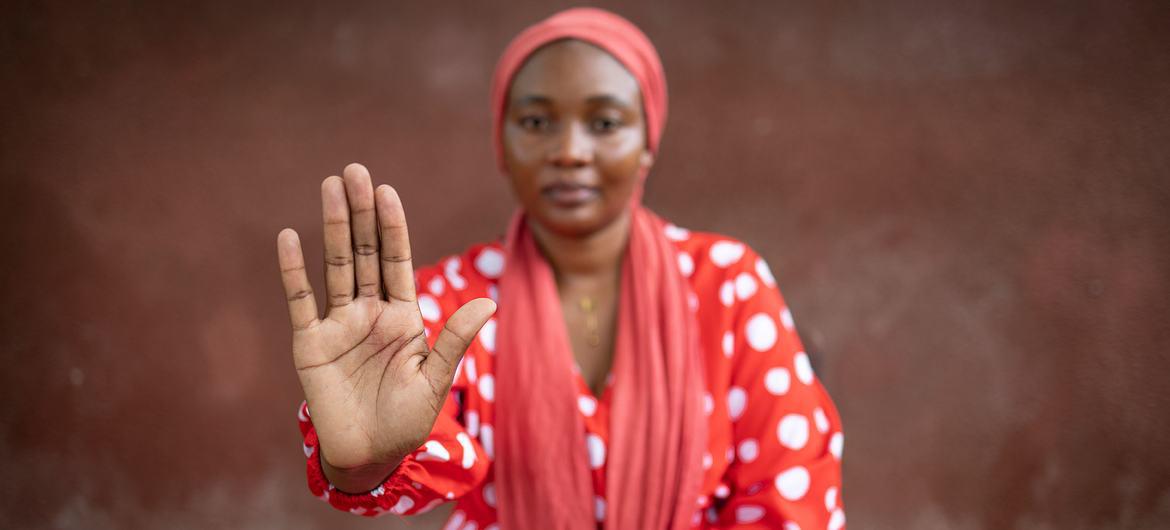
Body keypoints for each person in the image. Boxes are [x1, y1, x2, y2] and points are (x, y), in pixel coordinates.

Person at [276, 7, 844, 530]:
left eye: (604, 123)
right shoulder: (451, 303)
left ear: (649, 141)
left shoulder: (728, 284)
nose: (569, 151)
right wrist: (363, 463)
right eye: (536, 122)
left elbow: (790, 500)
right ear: (501, 142)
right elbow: (412, 453)